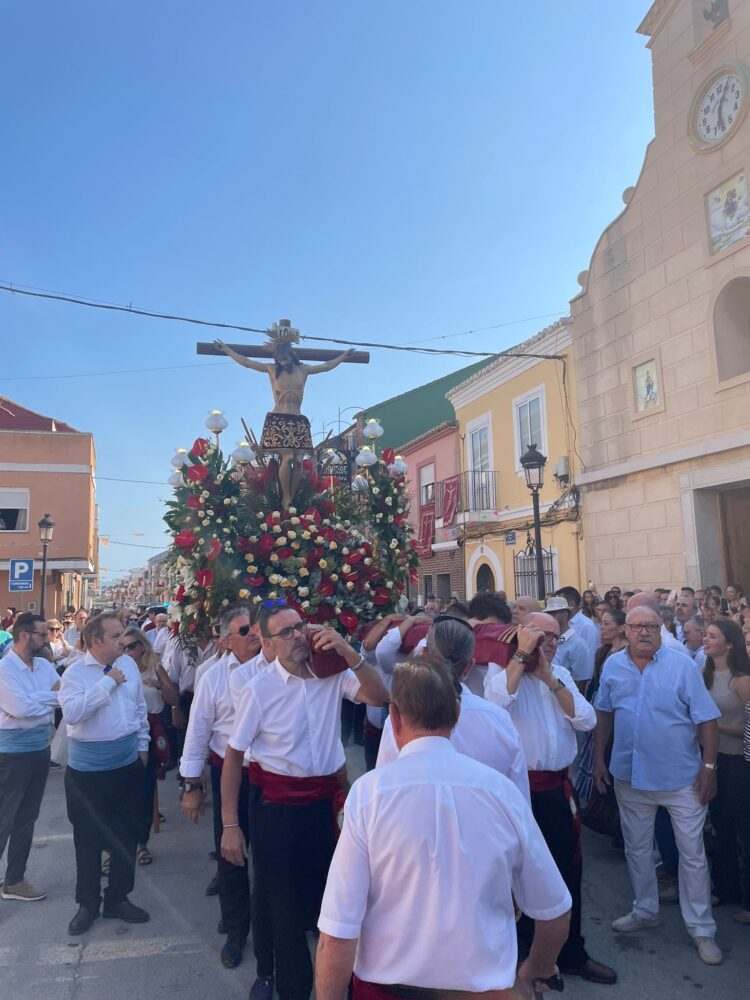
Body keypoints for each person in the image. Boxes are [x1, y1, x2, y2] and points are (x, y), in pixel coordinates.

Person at [316, 654, 572, 1000]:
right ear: (456, 712)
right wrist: (536, 969)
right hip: (482, 990)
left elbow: (337, 931)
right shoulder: (500, 792)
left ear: (394, 718)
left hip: (388, 990)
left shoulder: (368, 794)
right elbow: (554, 911)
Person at [221, 601, 388, 1000]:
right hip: (276, 809)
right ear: (267, 642)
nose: (298, 636)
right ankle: (288, 985)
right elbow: (233, 755)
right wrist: (230, 825)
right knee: (282, 908)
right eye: (287, 632)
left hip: (326, 807)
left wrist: (350, 653)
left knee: (338, 900)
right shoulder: (258, 689)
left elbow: (380, 697)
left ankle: (341, 985)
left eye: (300, 627)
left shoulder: (330, 673)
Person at [485, 612, 616, 985]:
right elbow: (496, 705)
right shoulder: (502, 674)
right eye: (542, 636)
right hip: (519, 791)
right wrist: (522, 660)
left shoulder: (560, 676)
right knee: (519, 877)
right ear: (523, 636)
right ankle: (527, 958)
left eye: (556, 637)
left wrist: (548, 678)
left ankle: (572, 952)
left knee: (567, 871)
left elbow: (587, 720)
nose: (551, 643)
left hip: (559, 788)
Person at [593, 605, 722, 965]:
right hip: (629, 775)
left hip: (681, 778)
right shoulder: (614, 666)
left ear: (661, 629)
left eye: (651, 626)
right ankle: (645, 909)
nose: (644, 632)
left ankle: (701, 928)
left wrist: (708, 767)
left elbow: (707, 719)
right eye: (636, 627)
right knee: (637, 849)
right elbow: (604, 712)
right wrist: (598, 758)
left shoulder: (681, 666)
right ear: (626, 632)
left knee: (692, 853)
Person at [179, 607, 265, 971]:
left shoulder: (279, 668)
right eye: (244, 630)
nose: (254, 635)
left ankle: (276, 921)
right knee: (232, 853)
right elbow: (198, 730)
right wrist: (191, 785)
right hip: (229, 774)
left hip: (271, 775)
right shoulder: (212, 676)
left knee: (271, 855)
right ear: (227, 640)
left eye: (256, 628)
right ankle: (235, 929)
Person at [59, 612, 151, 935]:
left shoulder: (128, 666)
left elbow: (139, 708)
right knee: (88, 838)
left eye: (123, 636)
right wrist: (106, 683)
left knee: (126, 834)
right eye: (115, 637)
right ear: (95, 641)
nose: (123, 642)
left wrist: (143, 747)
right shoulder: (74, 674)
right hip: (88, 774)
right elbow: (72, 713)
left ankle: (118, 898)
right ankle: (87, 903)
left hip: (127, 765)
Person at [376, 616, 529, 802]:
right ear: (469, 666)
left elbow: (383, 789)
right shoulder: (499, 720)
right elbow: (519, 801)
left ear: (424, 654)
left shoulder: (401, 719)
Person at [214, 331, 356, 507]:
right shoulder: (272, 370)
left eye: (285, 357)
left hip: (297, 419)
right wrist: (227, 350)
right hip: (279, 418)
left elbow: (326, 366)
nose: (283, 361)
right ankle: (286, 497)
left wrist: (343, 356)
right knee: (287, 458)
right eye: (280, 358)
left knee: (298, 461)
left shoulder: (303, 370)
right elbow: (248, 362)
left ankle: (292, 496)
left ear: (291, 354)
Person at [0, 613, 60, 902]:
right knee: (4, 818)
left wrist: (35, 700)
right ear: (25, 636)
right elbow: (20, 709)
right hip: (11, 754)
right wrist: (43, 701)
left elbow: (63, 694)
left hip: (39, 749)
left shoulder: (45, 666)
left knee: (27, 818)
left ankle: (14, 880)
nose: (47, 638)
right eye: (42, 633)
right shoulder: (5, 669)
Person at [701, 619, 750, 925]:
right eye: (705, 635)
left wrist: (712, 728)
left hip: (737, 763)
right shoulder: (702, 675)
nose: (706, 639)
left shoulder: (741, 680)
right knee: (720, 825)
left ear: (728, 644)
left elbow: (748, 728)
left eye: (712, 636)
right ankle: (726, 887)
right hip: (712, 759)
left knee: (744, 828)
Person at [120, 626, 179, 866]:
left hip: (152, 730)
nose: (128, 651)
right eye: (123, 646)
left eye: (132, 646)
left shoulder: (156, 667)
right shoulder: (117, 670)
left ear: (142, 646)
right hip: (125, 733)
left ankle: (140, 843)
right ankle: (115, 847)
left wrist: (159, 685)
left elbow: (173, 700)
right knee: (120, 792)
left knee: (145, 789)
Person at [544, 596, 593, 693]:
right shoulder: (548, 640)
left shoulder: (578, 644)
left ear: (565, 613)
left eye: (555, 613)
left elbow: (581, 682)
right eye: (549, 613)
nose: (551, 616)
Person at [555, 586, 599, 660]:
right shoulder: (561, 623)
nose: (556, 608)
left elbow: (590, 656)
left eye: (560, 604)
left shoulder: (586, 626)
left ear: (571, 603)